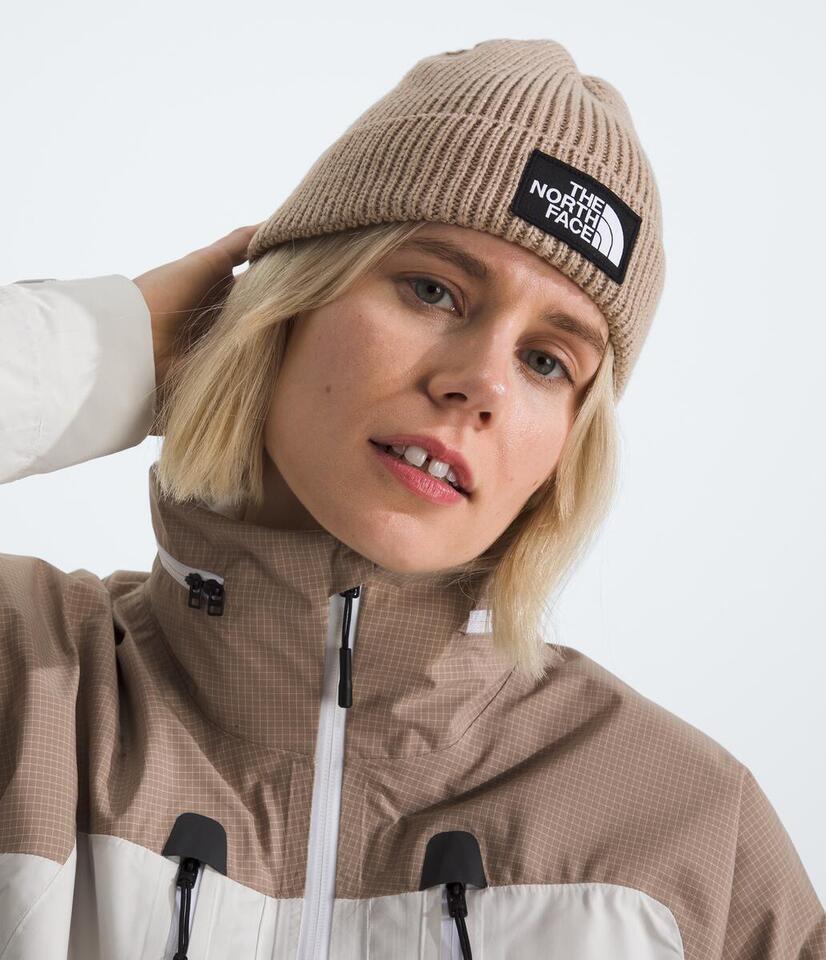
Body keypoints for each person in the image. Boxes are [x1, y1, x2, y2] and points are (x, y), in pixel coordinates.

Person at [0, 38, 823, 960]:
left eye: (547, 361)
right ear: (286, 303)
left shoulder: (691, 835)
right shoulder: (27, 687)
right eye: (434, 290)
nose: (482, 383)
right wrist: (106, 349)